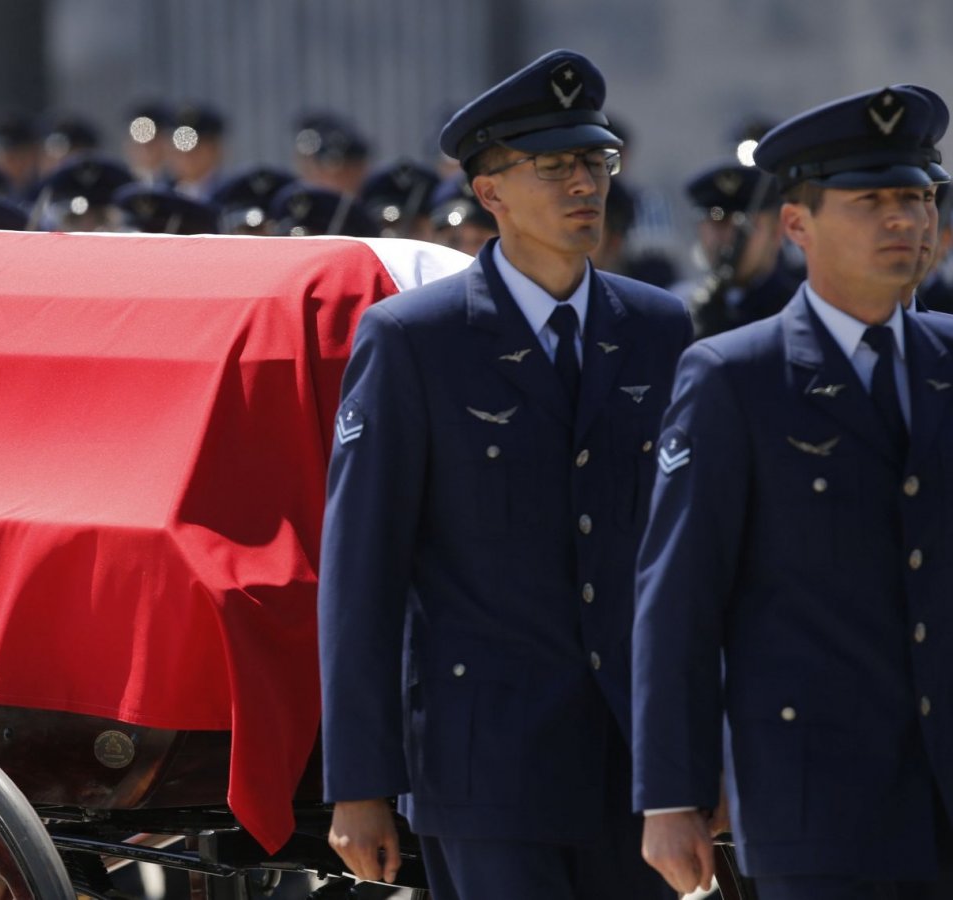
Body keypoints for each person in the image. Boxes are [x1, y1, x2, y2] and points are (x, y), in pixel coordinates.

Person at [317, 49, 690, 900]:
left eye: (595, 161)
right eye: (554, 166)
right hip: (484, 765)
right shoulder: (415, 340)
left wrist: (707, 757)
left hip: (636, 766)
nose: (584, 183)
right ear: (489, 193)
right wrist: (360, 783)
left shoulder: (657, 328)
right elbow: (362, 574)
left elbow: (690, 559)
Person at [633, 85, 953, 900]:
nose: (905, 222)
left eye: (918, 198)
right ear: (797, 224)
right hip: (817, 799)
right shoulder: (734, 375)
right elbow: (680, 597)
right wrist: (672, 793)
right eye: (873, 200)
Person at [675, 159, 799, 336]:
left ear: (777, 232)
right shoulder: (683, 309)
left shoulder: (795, 312)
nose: (730, 237)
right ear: (700, 228)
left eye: (747, 225)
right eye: (718, 220)